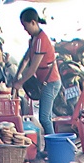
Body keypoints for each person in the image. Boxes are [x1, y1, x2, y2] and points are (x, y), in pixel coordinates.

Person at [16, 6, 58, 137]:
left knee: (44, 118)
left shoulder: (41, 39)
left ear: (33, 22)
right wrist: (17, 76)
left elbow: (32, 67)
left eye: (25, 26)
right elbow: (25, 60)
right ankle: (49, 147)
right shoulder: (33, 40)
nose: (25, 29)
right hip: (45, 82)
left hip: (51, 82)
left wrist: (20, 82)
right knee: (46, 117)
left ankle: (52, 147)